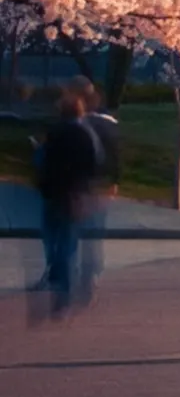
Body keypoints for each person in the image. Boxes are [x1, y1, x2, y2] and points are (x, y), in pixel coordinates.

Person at [32, 86, 101, 315]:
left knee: (53, 238)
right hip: (74, 193)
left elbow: (44, 161)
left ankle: (58, 280)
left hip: (54, 192)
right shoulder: (85, 135)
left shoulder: (55, 133)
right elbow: (92, 165)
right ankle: (65, 289)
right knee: (68, 241)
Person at [78, 80, 122, 297]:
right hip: (102, 183)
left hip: (86, 183)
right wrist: (114, 181)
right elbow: (115, 157)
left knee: (84, 229)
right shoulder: (110, 124)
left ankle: (87, 272)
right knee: (95, 229)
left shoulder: (83, 123)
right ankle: (94, 270)